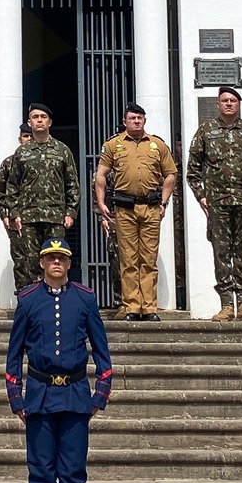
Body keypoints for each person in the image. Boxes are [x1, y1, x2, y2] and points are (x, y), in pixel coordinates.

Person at [6, 240, 112, 483]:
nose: (56, 263)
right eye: (51, 258)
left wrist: (100, 394)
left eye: (62, 258)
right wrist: (16, 396)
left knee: (72, 470)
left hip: (75, 395)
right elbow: (14, 354)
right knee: (41, 471)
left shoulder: (85, 299)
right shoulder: (27, 300)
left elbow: (102, 351)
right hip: (39, 396)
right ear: (41, 263)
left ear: (68, 264)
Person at [185, 86, 242, 321]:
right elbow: (193, 169)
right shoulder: (206, 131)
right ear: (218, 104)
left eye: (233, 100)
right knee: (221, 252)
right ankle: (226, 304)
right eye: (225, 100)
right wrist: (201, 196)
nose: (229, 104)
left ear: (239, 104)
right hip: (217, 202)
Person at [95, 103, 177, 321]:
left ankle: (149, 308)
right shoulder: (113, 145)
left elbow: (170, 174)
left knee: (148, 259)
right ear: (125, 121)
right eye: (132, 118)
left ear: (145, 121)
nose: (136, 121)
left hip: (151, 208)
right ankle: (132, 306)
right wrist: (101, 202)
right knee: (129, 259)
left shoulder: (157, 145)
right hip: (125, 209)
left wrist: (164, 202)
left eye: (140, 118)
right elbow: (101, 175)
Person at [0, 104, 80, 290]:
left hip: (55, 217)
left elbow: (72, 183)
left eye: (43, 117)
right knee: (30, 263)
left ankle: (56, 297)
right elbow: (12, 186)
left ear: (50, 122)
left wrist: (71, 212)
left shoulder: (62, 150)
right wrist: (14, 213)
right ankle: (35, 301)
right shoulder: (21, 152)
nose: (39, 120)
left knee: (56, 260)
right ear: (29, 122)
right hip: (28, 218)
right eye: (35, 117)